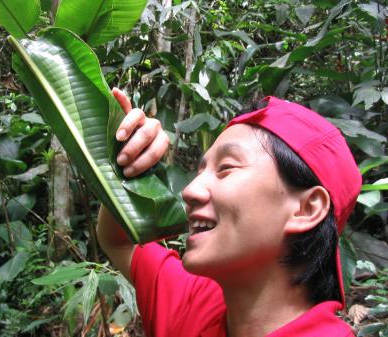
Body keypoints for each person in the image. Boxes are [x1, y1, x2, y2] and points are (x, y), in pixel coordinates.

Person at [97, 88, 362, 337]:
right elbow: (119, 239)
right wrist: (129, 157)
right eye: (201, 171)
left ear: (306, 209)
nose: (190, 191)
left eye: (226, 168)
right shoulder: (195, 304)